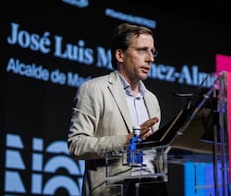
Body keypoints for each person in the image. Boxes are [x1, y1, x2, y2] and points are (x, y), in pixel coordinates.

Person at [67, 23, 167, 196]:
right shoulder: (94, 89)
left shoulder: (151, 99)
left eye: (152, 51)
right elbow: (76, 145)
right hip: (111, 191)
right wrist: (126, 140)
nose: (150, 58)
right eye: (142, 50)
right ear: (120, 55)